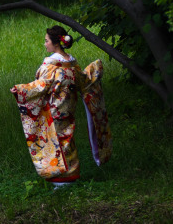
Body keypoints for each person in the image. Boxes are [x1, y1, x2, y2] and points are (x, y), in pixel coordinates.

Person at [10, 25, 112, 188]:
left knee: (56, 140)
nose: (45, 44)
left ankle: (62, 179)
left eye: (46, 41)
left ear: (55, 43)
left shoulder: (50, 67)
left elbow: (41, 86)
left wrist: (21, 90)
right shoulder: (72, 65)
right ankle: (71, 174)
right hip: (69, 107)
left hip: (54, 108)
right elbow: (84, 81)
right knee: (67, 138)